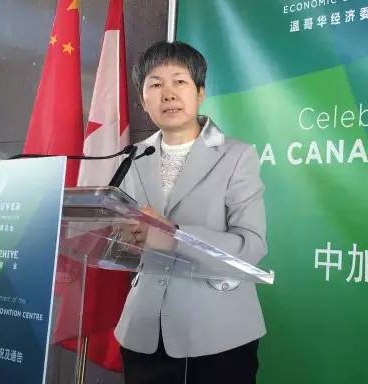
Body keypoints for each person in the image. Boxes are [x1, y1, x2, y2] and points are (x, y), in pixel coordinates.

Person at [114, 41, 267, 384]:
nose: (168, 93)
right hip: (143, 332)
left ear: (200, 93)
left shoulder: (237, 155)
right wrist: (121, 237)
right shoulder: (131, 157)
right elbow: (122, 245)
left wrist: (174, 238)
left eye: (179, 81)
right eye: (155, 84)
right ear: (143, 101)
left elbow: (252, 246)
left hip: (219, 333)